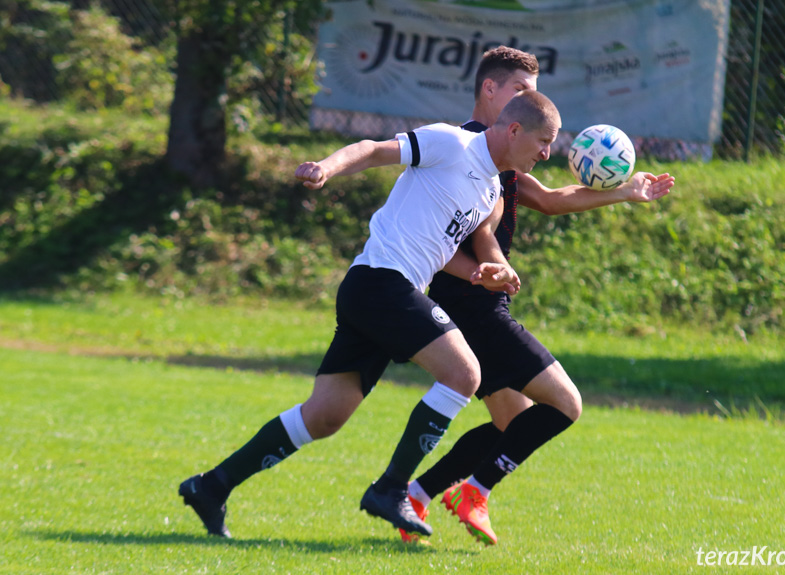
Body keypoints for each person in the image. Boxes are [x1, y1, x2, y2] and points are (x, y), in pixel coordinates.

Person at [177, 89, 564, 539]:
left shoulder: (492, 187)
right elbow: (371, 150)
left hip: (384, 292)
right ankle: (392, 488)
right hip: (381, 281)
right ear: (515, 129)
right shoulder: (451, 143)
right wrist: (326, 167)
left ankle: (212, 485)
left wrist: (483, 273)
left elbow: (437, 250)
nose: (548, 152)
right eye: (544, 140)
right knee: (464, 374)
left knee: (325, 416)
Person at [395, 46, 676, 546]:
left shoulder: (501, 149)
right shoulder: (466, 147)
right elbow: (505, 218)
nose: (532, 100)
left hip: (477, 301)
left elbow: (546, 198)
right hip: (471, 305)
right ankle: (472, 492)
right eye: (522, 91)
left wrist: (627, 192)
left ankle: (416, 493)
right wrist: (489, 268)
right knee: (565, 404)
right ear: (491, 90)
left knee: (514, 424)